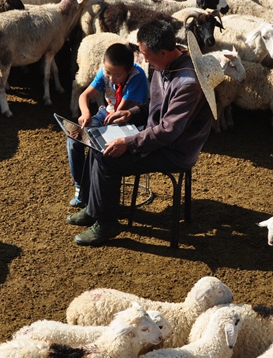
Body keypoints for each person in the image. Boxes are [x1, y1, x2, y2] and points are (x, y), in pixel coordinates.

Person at [67, 18, 215, 246]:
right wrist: (133, 113)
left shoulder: (187, 83)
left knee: (107, 157)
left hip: (174, 149)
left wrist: (129, 142)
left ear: (164, 52)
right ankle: (93, 208)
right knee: (96, 143)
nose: (143, 60)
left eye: (147, 55)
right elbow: (157, 107)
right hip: (154, 133)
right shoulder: (163, 66)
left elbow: (169, 130)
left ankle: (107, 223)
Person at [66, 43, 149, 207]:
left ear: (129, 71)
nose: (110, 78)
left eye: (117, 75)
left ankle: (96, 192)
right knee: (74, 139)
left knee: (96, 144)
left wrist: (95, 129)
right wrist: (85, 113)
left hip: (128, 120)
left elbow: (121, 110)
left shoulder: (137, 77)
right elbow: (84, 95)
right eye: (108, 73)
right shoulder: (107, 72)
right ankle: (81, 186)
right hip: (108, 113)